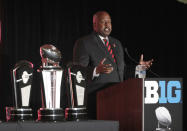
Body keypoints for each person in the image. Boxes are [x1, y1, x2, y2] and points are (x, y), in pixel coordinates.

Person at [73, 11, 153, 119]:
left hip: (118, 99)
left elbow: (121, 70)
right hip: (97, 100)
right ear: (95, 25)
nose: (107, 25)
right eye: (103, 22)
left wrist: (138, 68)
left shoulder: (117, 43)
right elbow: (77, 71)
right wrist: (96, 70)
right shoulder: (85, 43)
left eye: (109, 22)